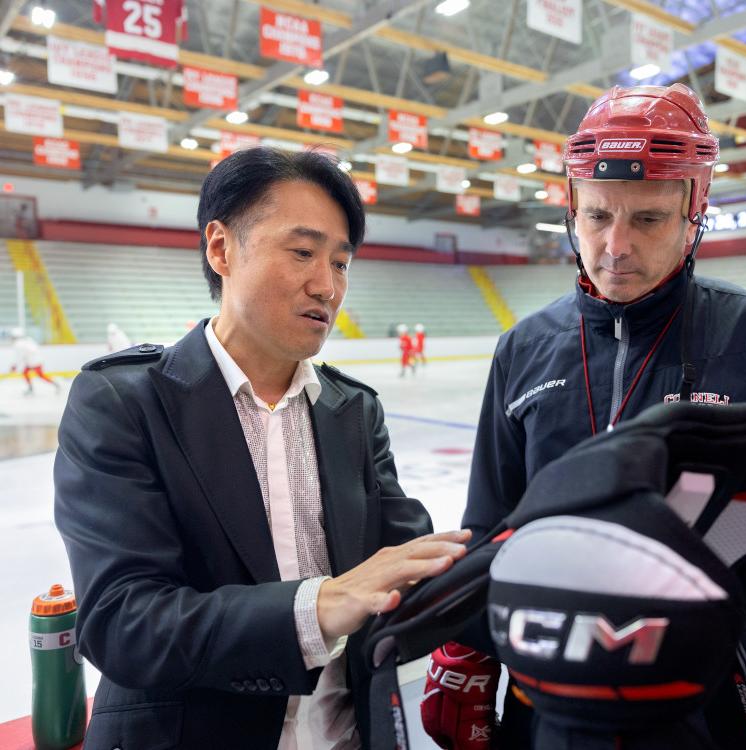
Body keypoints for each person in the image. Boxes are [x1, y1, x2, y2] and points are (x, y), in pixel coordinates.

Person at [423, 84, 746, 749]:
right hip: (541, 705)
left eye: (647, 220)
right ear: (570, 209)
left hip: (701, 708)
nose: (614, 245)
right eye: (597, 216)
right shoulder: (522, 348)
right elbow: (494, 525)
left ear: (694, 213)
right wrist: (468, 651)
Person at [54, 148, 470, 750]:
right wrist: (323, 604)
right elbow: (123, 622)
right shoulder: (124, 402)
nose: (326, 285)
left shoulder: (353, 410)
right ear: (221, 249)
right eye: (302, 252)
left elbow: (402, 568)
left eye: (341, 262)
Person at [9, 326, 61, 395]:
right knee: (25, 372)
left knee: (40, 375)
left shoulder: (18, 344)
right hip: (36, 360)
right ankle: (31, 388)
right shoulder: (28, 339)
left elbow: (19, 357)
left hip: (33, 362)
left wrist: (14, 366)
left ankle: (55, 384)